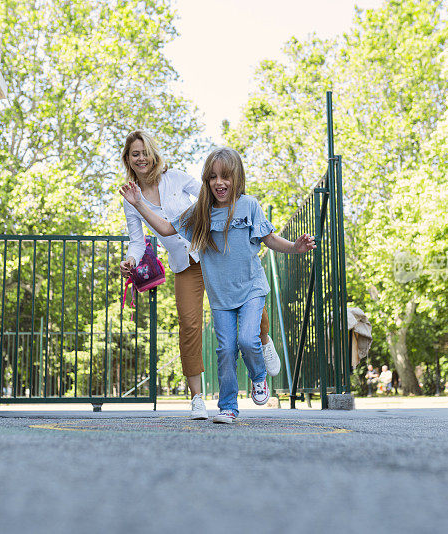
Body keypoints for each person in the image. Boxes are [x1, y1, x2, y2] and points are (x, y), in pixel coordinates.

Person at [120, 147, 315, 423]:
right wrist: (139, 203)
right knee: (224, 350)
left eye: (225, 177)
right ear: (206, 181)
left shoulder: (248, 205)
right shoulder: (201, 212)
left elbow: (269, 239)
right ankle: (227, 406)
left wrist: (295, 247)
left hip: (250, 288)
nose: (219, 183)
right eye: (212, 177)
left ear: (237, 177)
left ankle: (259, 370)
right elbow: (164, 228)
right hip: (219, 294)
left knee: (248, 339)